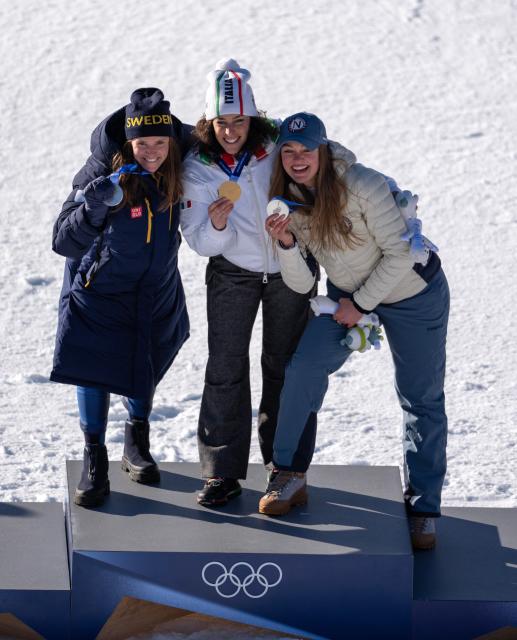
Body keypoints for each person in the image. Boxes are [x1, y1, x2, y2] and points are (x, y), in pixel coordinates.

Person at [260, 112, 449, 551]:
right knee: (304, 367)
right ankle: (288, 473)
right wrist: (287, 244)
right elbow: (303, 284)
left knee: (420, 397)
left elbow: (402, 253)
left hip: (411, 294)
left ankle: (423, 509)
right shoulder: (287, 201)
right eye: (288, 151)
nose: (297, 159)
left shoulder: (362, 183)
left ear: (323, 150)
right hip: (344, 297)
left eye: (306, 150)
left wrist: (360, 305)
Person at [180, 59, 317, 507]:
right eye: (222, 122)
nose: (232, 131)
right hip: (232, 272)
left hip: (289, 267)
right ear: (209, 122)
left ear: (253, 119)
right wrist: (217, 227)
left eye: (240, 120)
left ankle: (286, 468)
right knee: (225, 367)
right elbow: (198, 241)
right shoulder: (198, 166)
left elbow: (323, 162)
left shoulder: (277, 143)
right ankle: (221, 472)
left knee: (286, 366)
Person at [50, 88, 190, 508]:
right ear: (127, 142)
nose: (152, 152)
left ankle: (137, 439)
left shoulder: (179, 167)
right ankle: (95, 456)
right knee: (94, 369)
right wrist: (93, 208)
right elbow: (63, 239)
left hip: (154, 286)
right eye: (142, 144)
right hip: (101, 291)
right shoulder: (98, 171)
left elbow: (230, 137)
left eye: (160, 143)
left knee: (145, 359)